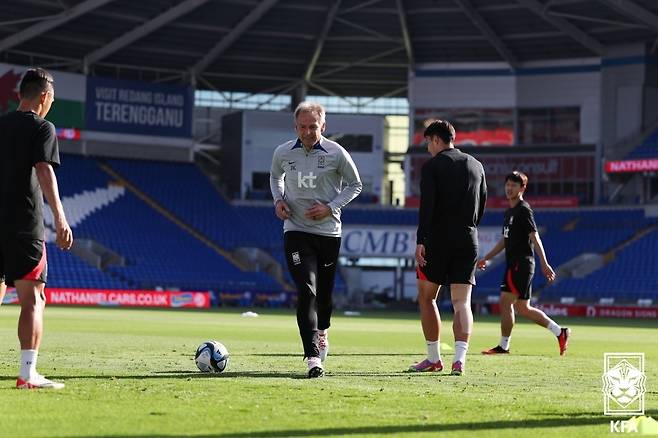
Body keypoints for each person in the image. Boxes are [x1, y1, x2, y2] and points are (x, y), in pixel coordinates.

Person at [270, 102, 362, 378]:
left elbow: (355, 185)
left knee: (324, 296)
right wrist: (278, 200)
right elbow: (276, 177)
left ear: (323, 126)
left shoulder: (337, 153)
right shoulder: (283, 152)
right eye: (303, 127)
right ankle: (312, 356)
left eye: (313, 126)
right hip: (296, 230)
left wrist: (330, 206)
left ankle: (323, 331)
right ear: (295, 127)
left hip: (328, 232)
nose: (308, 132)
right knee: (306, 290)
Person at [0, 68, 73, 389]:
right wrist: (59, 216)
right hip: (23, 224)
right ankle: (27, 373)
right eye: (52, 99)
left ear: (20, 94)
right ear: (44, 97)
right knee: (33, 298)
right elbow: (43, 169)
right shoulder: (43, 127)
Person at [409, 120, 487, 376]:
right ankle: (459, 360)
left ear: (435, 140)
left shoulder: (432, 167)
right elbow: (482, 204)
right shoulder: (476, 165)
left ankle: (433, 358)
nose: (427, 148)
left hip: (438, 238)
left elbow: (427, 206)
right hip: (468, 237)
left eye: (427, 143)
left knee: (427, 297)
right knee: (461, 302)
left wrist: (421, 239)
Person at [478, 171, 570, 356]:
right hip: (516, 264)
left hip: (521, 263)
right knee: (522, 308)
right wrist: (486, 257)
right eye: (508, 184)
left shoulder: (523, 210)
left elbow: (534, 236)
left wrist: (545, 263)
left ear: (522, 188)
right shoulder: (509, 212)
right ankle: (560, 332)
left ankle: (503, 346)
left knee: (505, 302)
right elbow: (504, 240)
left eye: (514, 185)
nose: (509, 188)